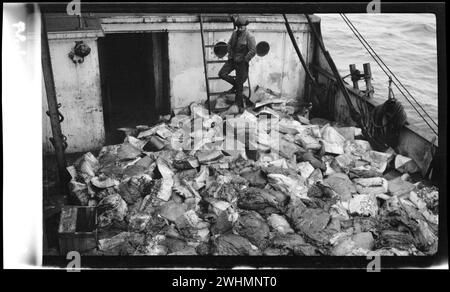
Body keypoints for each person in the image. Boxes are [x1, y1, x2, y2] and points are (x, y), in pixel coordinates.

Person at [218, 16, 256, 111]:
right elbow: (229, 45)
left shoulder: (249, 36)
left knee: (240, 87)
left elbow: (253, 50)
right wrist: (231, 55)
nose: (239, 29)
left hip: (242, 62)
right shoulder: (234, 34)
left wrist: (245, 59)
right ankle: (236, 85)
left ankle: (239, 106)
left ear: (245, 26)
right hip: (233, 59)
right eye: (238, 27)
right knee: (222, 73)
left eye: (241, 27)